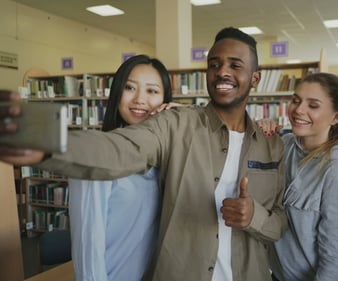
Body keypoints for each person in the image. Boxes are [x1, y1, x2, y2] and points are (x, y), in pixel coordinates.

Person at [0, 27, 286, 281]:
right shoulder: (176, 125)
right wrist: (45, 142)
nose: (222, 71)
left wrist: (253, 217)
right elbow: (118, 149)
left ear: (255, 78)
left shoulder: (272, 144)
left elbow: (279, 223)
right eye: (214, 64)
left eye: (235, 65)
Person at [68, 54, 172, 281]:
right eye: (130, 88)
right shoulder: (97, 156)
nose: (139, 100)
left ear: (165, 100)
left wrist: (179, 118)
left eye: (152, 91)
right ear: (116, 94)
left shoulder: (169, 161)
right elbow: (88, 251)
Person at [261, 73, 338, 281]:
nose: (298, 110)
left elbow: (334, 256)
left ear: (336, 117)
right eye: (296, 100)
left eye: (313, 105)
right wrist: (257, 131)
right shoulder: (284, 145)